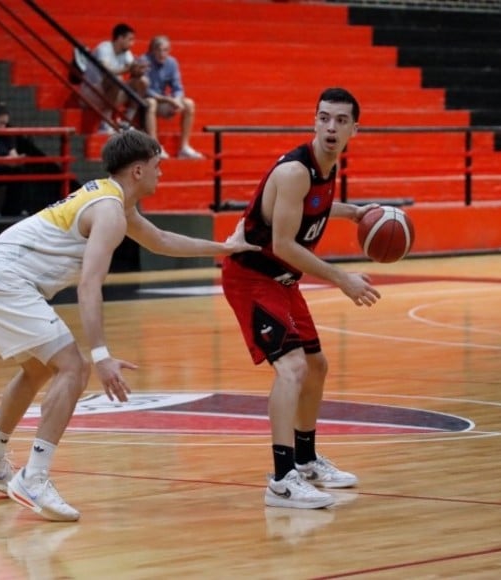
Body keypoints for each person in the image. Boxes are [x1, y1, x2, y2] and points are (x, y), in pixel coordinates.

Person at [0, 129, 260, 522]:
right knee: (74, 368)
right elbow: (89, 286)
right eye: (157, 167)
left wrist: (223, 248)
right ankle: (34, 476)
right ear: (138, 170)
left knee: (36, 369)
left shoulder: (112, 199)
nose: (161, 174)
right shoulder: (109, 211)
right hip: (3, 280)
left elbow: (160, 239)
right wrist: (101, 355)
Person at [220, 87, 382, 510]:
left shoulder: (326, 169)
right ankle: (281, 479)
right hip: (252, 277)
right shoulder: (295, 170)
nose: (331, 127)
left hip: (282, 280)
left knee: (316, 365)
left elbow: (316, 204)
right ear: (314, 120)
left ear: (354, 129)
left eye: (341, 121)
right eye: (324, 118)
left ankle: (307, 461)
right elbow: (285, 243)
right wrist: (342, 279)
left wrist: (354, 212)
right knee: (291, 367)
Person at [80, 22, 148, 134]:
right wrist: (128, 69)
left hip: (110, 95)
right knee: (114, 80)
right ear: (120, 38)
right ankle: (105, 123)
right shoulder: (104, 48)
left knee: (142, 82)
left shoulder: (127, 54)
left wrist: (138, 71)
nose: (132, 43)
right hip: (91, 93)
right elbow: (107, 71)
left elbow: (131, 70)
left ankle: (127, 122)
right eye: (130, 39)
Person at [142, 35, 202, 159]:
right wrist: (168, 99)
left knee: (189, 103)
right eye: (159, 50)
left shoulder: (171, 62)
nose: (162, 54)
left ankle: (184, 147)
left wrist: (177, 99)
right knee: (151, 102)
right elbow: (145, 90)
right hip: (145, 99)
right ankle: (154, 146)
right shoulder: (144, 61)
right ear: (152, 50)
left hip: (164, 99)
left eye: (165, 50)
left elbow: (178, 87)